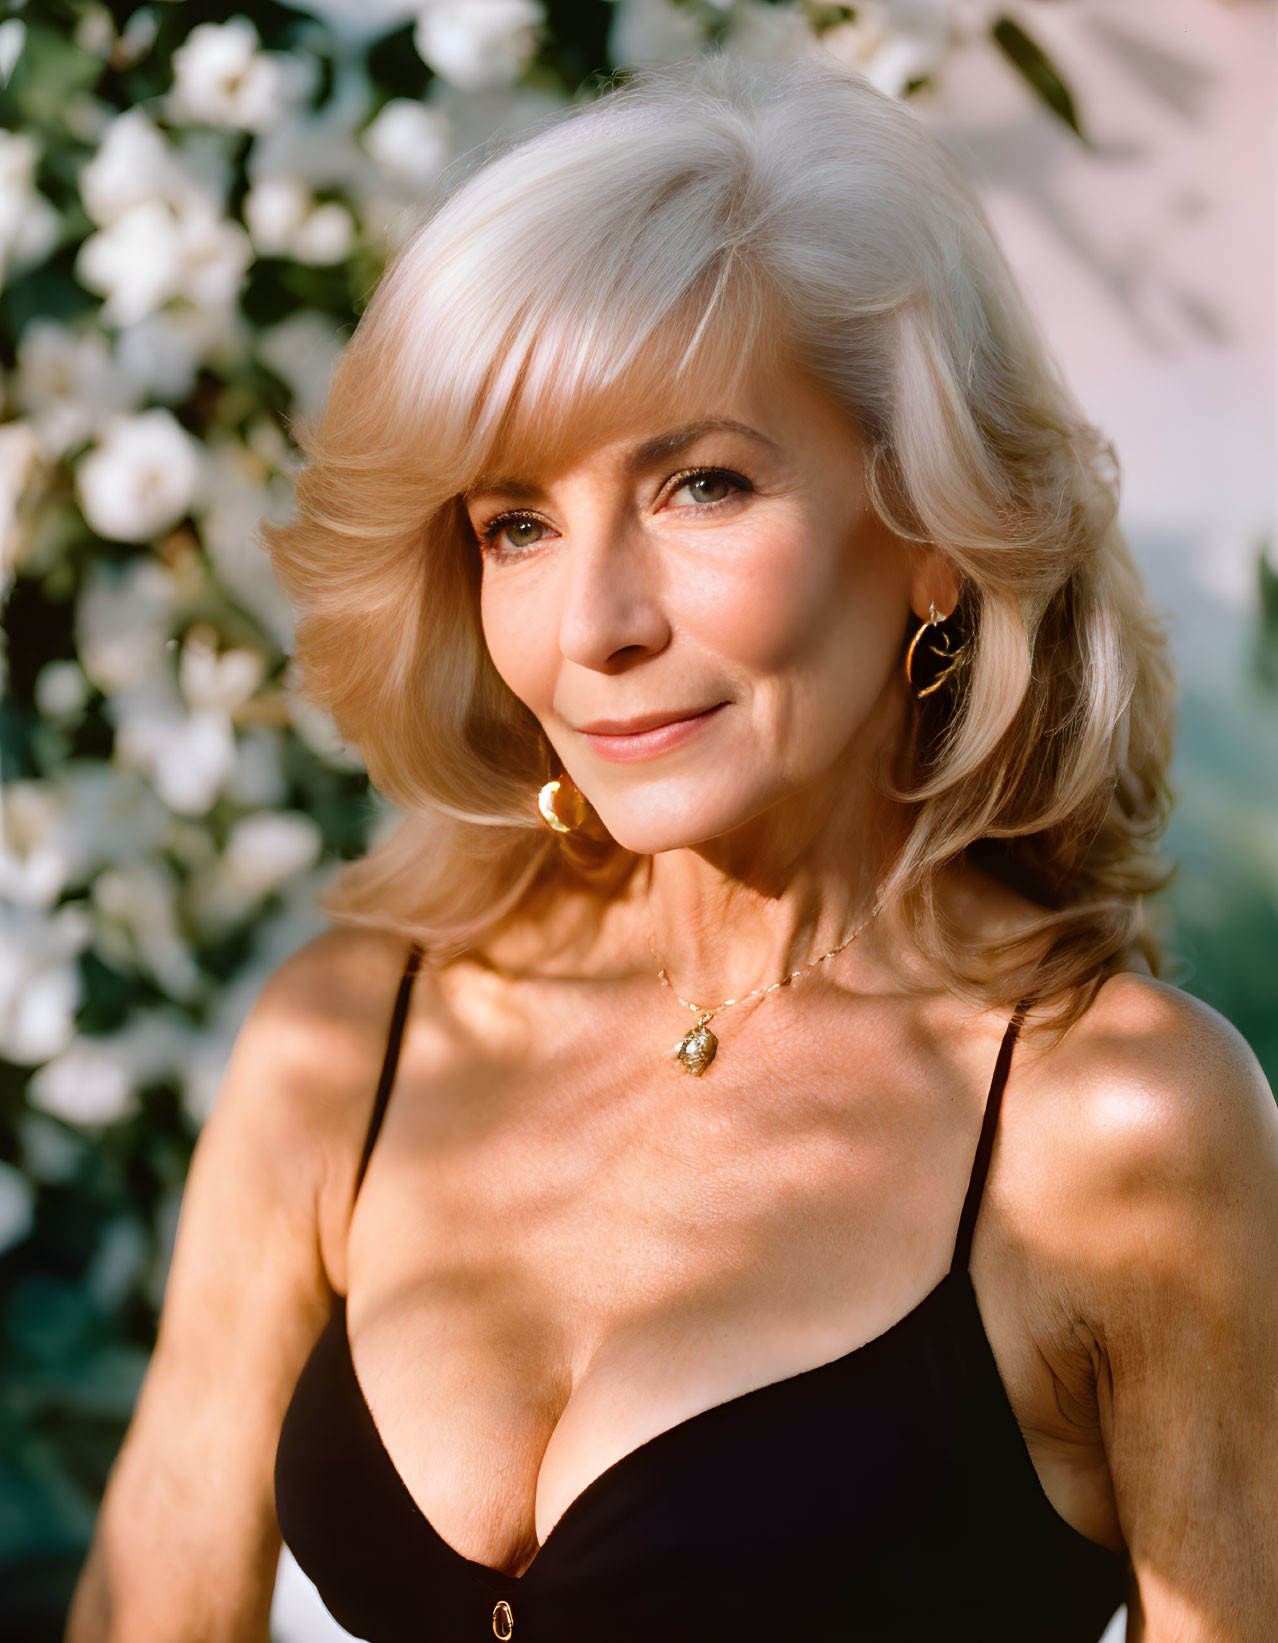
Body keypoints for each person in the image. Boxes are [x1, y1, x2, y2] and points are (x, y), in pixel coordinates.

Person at [66, 53, 1277, 1643]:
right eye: (517, 523)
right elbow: (149, 1612)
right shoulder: (348, 1039)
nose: (593, 626)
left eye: (702, 485)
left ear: (927, 531)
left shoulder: (1115, 1124)